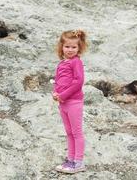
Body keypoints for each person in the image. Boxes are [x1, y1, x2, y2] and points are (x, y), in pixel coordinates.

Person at [52, 30, 88, 174]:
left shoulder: (76, 62)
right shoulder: (62, 63)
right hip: (63, 103)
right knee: (68, 132)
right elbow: (58, 80)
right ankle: (70, 159)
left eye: (74, 47)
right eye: (67, 47)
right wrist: (55, 92)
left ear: (79, 48)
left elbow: (78, 82)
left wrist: (64, 95)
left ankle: (78, 162)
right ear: (62, 47)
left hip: (73, 102)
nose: (70, 50)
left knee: (76, 132)